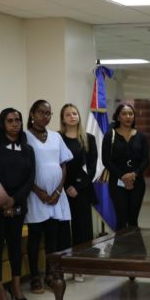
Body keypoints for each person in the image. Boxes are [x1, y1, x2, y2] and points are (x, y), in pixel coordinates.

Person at [0, 108, 35, 300]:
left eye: (18, 120)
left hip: (17, 204)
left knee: (15, 245)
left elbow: (30, 179)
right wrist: (4, 200)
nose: (15, 124)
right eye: (10, 120)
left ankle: (16, 285)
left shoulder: (27, 149)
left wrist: (13, 200)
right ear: (2, 124)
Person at [25, 99, 72, 293]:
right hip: (35, 195)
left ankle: (50, 275)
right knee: (35, 237)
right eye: (42, 112)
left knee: (52, 238)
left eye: (49, 113)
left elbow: (63, 164)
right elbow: (25, 168)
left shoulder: (56, 137)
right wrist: (39, 191)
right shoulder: (24, 136)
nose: (46, 116)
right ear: (33, 114)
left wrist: (58, 191)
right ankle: (35, 277)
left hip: (56, 196)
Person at [102, 102, 150, 229]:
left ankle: (136, 249)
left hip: (137, 182)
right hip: (117, 182)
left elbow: (146, 160)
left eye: (131, 114)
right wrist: (123, 176)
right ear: (118, 117)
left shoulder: (141, 136)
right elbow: (106, 160)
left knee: (133, 220)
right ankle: (120, 249)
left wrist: (134, 174)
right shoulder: (110, 135)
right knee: (121, 220)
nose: (128, 117)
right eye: (124, 114)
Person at [59, 104, 98, 260]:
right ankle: (66, 261)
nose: (72, 116)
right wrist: (67, 186)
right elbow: (57, 164)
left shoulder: (88, 138)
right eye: (68, 114)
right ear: (63, 118)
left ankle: (83, 262)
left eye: (75, 113)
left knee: (82, 227)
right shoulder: (57, 138)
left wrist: (77, 186)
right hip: (62, 189)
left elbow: (92, 167)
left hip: (82, 189)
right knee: (63, 229)